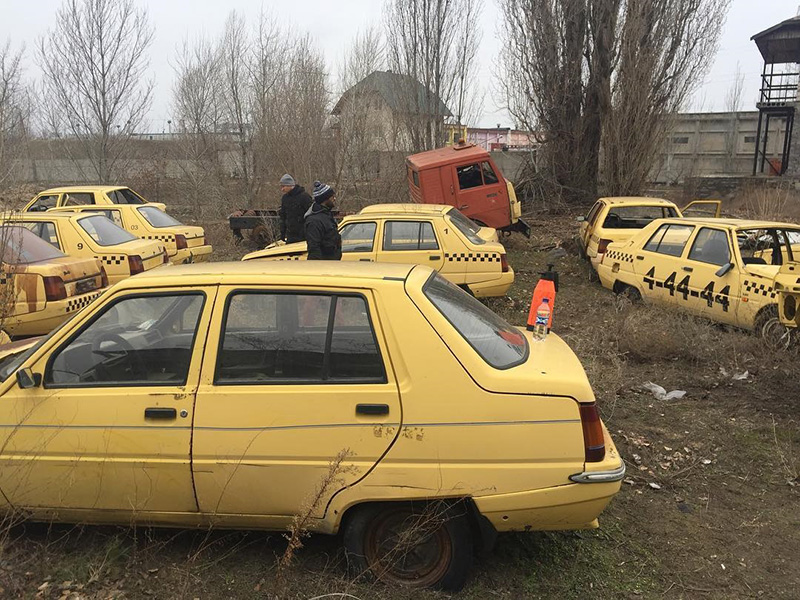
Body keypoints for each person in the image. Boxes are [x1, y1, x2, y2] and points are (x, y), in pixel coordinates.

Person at [305, 181, 342, 260]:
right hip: (323, 268)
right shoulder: (314, 221)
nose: (334, 199)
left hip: (332, 265)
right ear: (325, 199)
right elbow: (314, 249)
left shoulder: (327, 216)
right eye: (332, 197)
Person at [277, 174, 313, 243]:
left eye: (283, 186)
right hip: (291, 235)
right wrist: (282, 235)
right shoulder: (285, 198)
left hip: (304, 235)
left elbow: (311, 215)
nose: (282, 189)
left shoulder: (304, 197)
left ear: (290, 185)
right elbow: (283, 217)